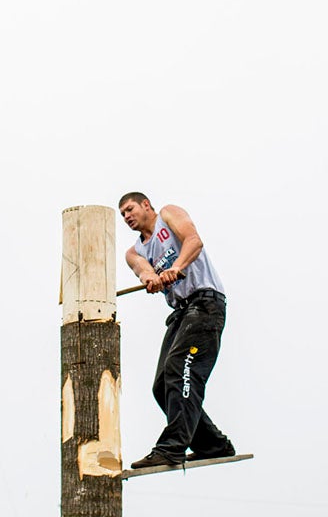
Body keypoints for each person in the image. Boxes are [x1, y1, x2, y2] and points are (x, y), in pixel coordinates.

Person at [119, 192, 235, 468]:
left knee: (180, 368)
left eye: (130, 209)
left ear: (146, 204)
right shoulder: (135, 251)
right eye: (122, 214)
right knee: (161, 386)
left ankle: (172, 447)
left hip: (205, 303)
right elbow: (143, 269)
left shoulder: (168, 215)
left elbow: (194, 241)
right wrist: (150, 277)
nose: (127, 217)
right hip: (182, 313)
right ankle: (212, 444)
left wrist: (177, 267)